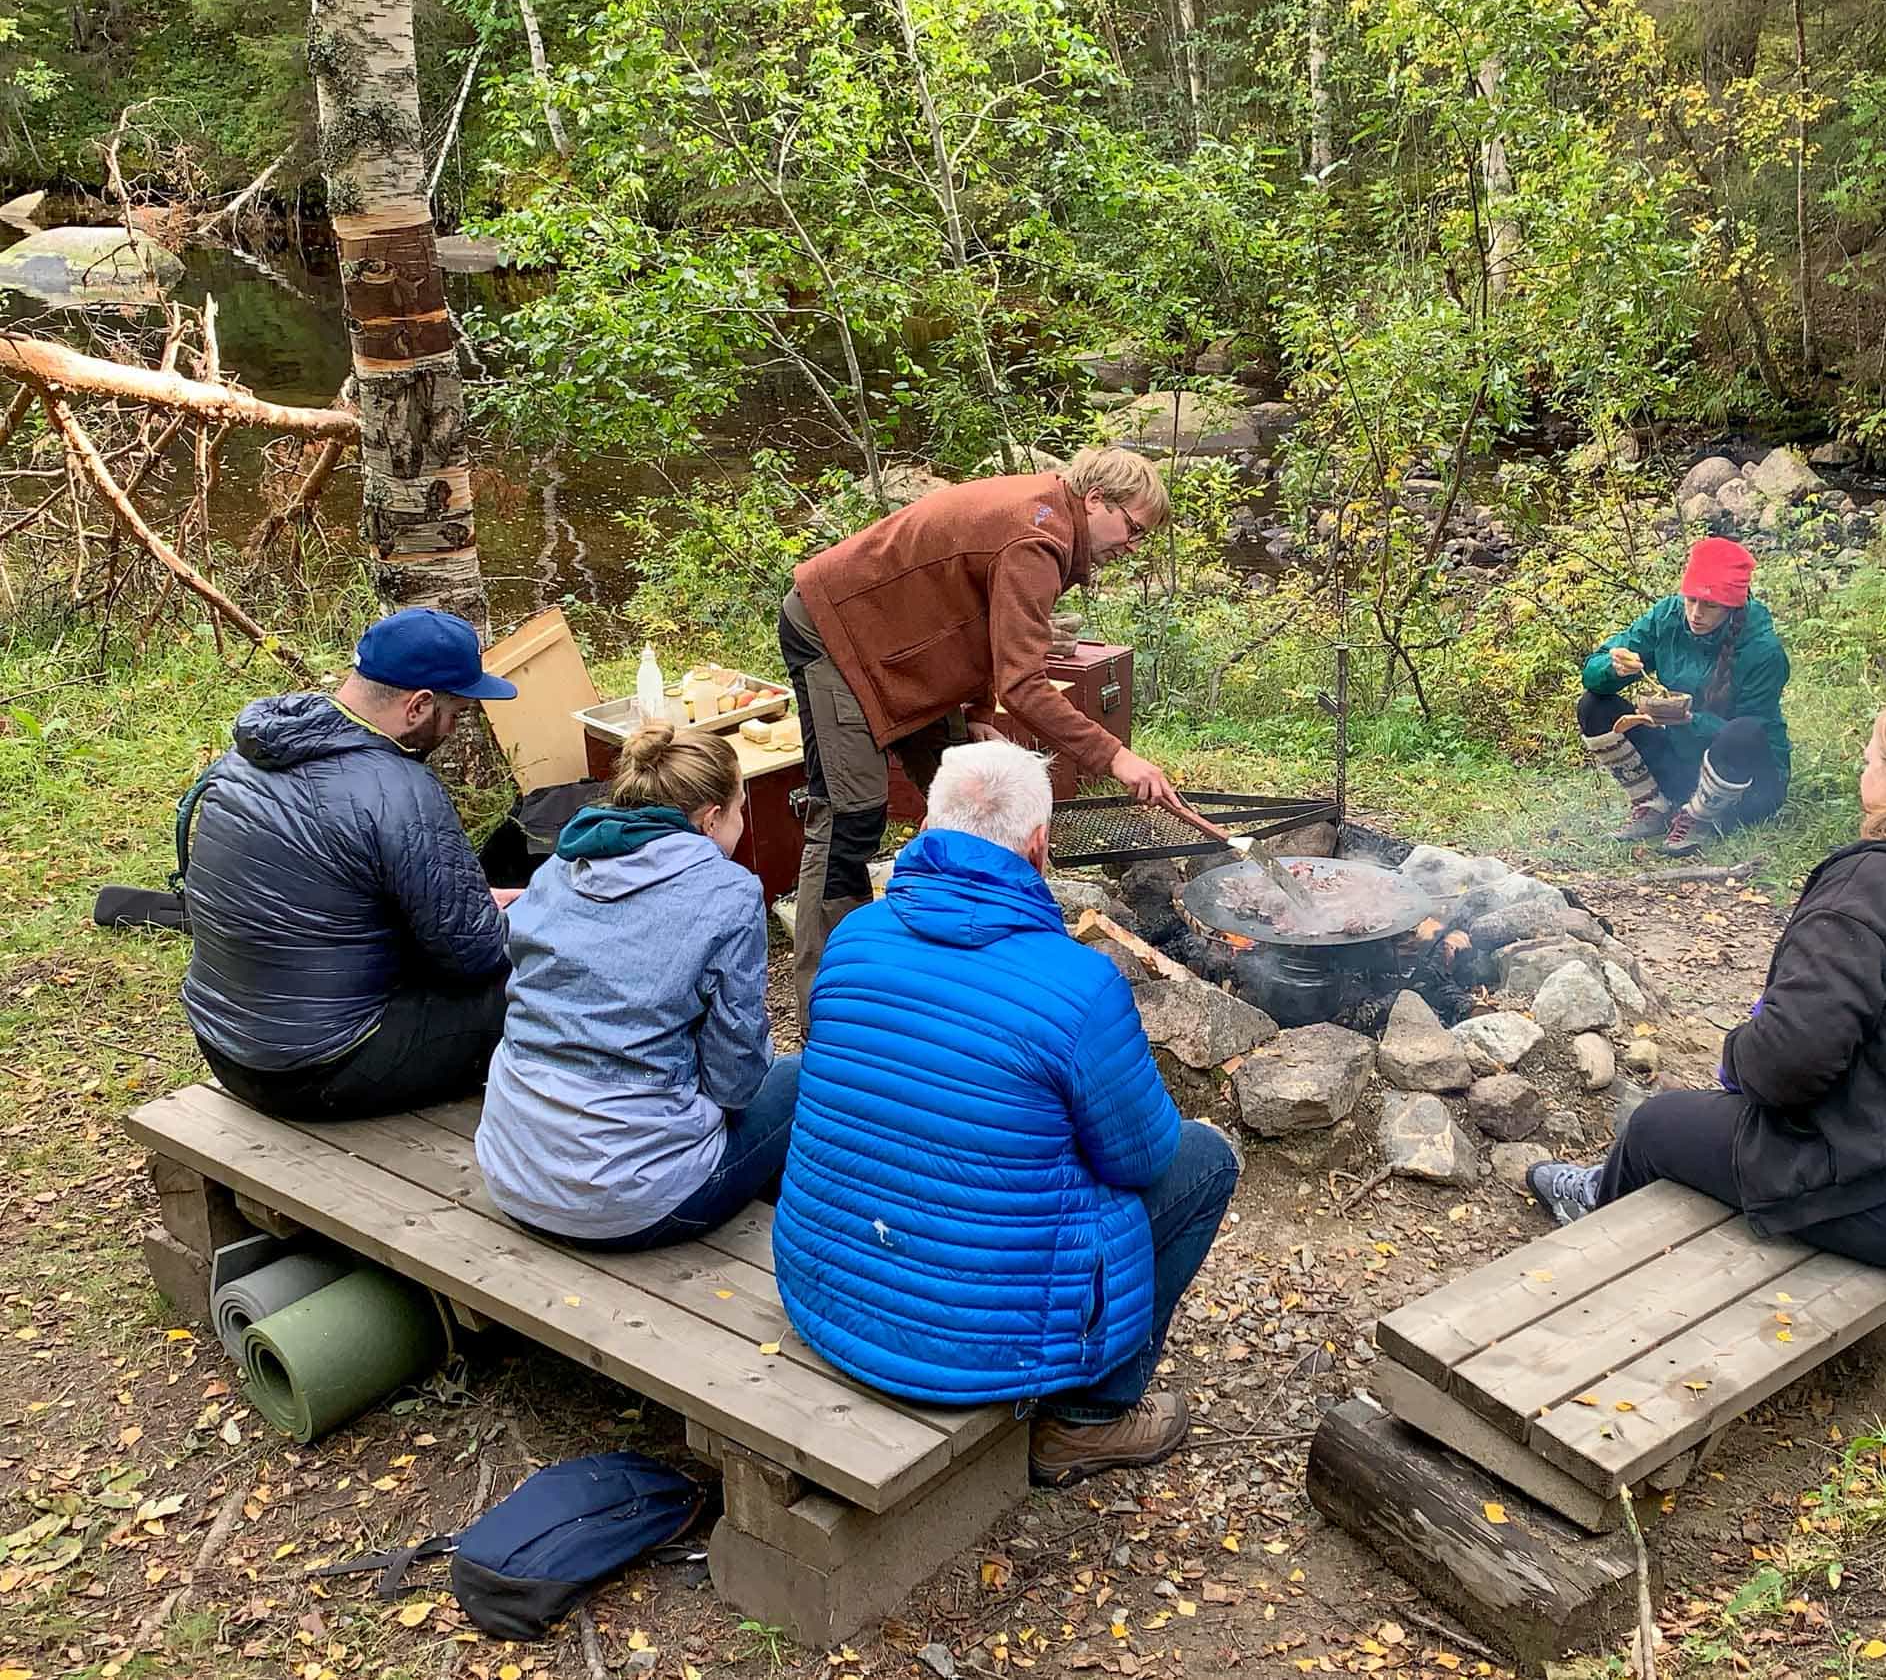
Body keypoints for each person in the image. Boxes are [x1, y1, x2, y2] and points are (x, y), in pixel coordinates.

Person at [772, 740, 1240, 1488]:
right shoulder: (1077, 983)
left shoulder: (854, 937)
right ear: (1039, 846)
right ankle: (1089, 1419)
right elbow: (1146, 1159)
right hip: (974, 1343)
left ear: (927, 826)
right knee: (1205, 1157)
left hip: (824, 1291)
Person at [1530, 698, 1886, 1273]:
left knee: (1656, 1125)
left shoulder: (1870, 886)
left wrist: (1741, 1052)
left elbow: (1785, 1072)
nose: (1864, 768)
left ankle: (1598, 1209)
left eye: (1873, 760)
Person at [779, 448, 1199, 987]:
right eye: (1133, 528)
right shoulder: (1037, 538)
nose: (1134, 546)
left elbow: (977, 614)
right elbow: (1024, 683)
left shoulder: (1053, 520)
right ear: (1097, 501)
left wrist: (978, 710)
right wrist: (1115, 756)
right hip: (835, 630)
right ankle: (835, 991)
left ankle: (962, 949)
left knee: (969, 795)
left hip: (902, 644)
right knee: (850, 816)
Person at [180, 608, 521, 1120]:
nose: (454, 728)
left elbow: (323, 897)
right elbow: (472, 956)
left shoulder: (245, 759)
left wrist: (469, 903)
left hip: (223, 1043)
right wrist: (518, 915)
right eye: (458, 712)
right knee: (541, 981)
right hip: (319, 1071)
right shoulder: (400, 789)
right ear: (419, 705)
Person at [475, 724, 798, 1251]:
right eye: (741, 809)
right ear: (711, 819)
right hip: (631, 1206)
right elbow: (736, 1082)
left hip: (512, 1170)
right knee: (796, 1077)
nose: (742, 822)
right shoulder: (728, 893)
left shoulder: (559, 865)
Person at [1579, 536, 1791, 851]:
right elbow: (1592, 674)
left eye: (1710, 605)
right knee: (1594, 705)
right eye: (1690, 600)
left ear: (1733, 606)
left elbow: (1752, 731)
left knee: (1743, 731)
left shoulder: (1763, 650)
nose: (1695, 613)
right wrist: (1612, 668)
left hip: (1749, 784)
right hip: (1683, 768)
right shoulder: (1668, 616)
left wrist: (1688, 720)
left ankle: (1700, 818)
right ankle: (1654, 805)